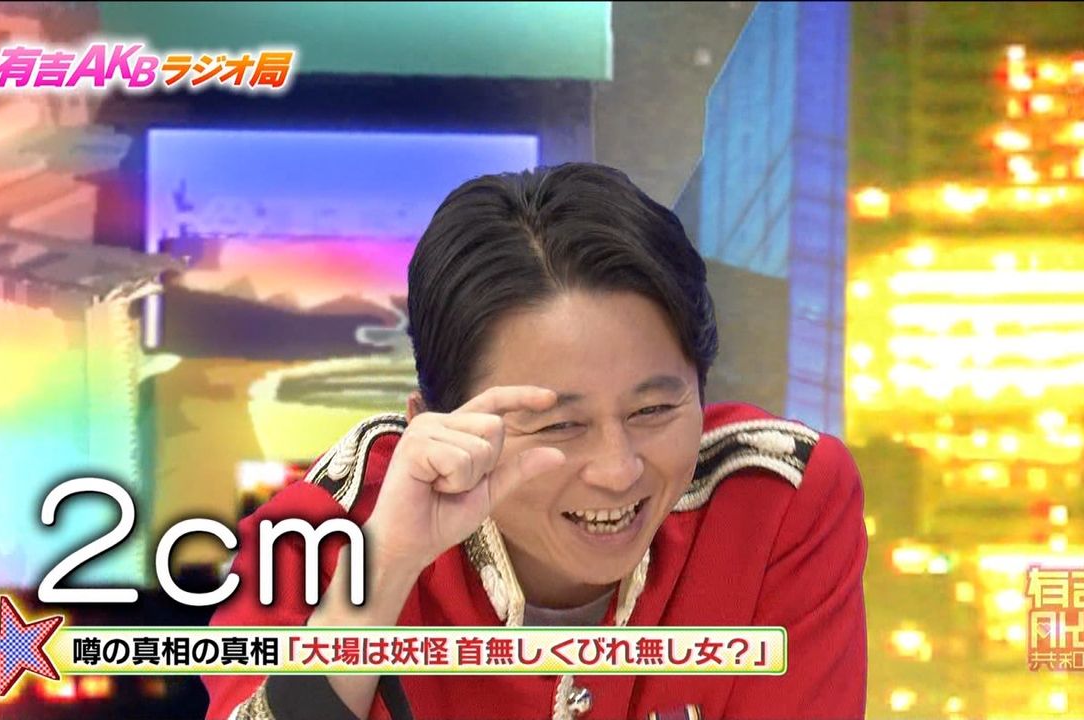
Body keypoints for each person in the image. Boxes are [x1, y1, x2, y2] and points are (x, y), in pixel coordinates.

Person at [204, 163, 868, 720]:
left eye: (655, 409)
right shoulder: (312, 541)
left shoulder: (776, 500)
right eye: (558, 425)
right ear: (433, 421)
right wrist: (382, 574)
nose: (617, 470)